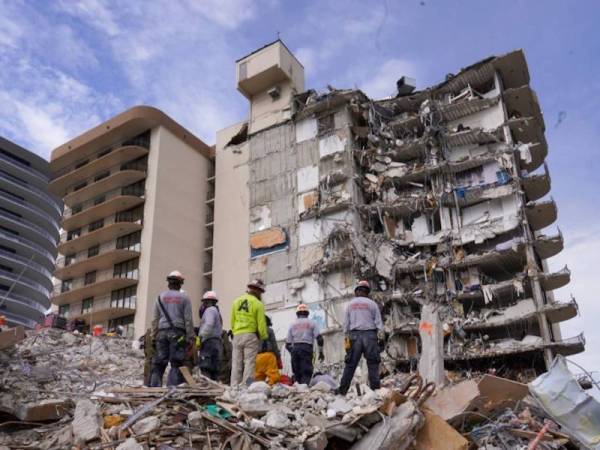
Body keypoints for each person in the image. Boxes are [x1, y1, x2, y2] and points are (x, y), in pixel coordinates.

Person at [338, 280, 384, 395]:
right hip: (370, 336)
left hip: (354, 337)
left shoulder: (350, 305)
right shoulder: (372, 304)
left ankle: (342, 391)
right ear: (367, 292)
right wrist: (381, 340)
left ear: (356, 291)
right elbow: (379, 324)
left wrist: (347, 343)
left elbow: (346, 326)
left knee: (350, 365)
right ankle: (376, 392)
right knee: (373, 364)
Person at [150, 270, 195, 387]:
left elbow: (155, 318)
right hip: (178, 334)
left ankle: (154, 389)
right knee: (176, 363)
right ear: (180, 284)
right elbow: (188, 320)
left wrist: (153, 336)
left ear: (169, 283)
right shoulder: (185, 298)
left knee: (158, 363)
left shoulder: (160, 297)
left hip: (161, 333)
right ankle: (172, 390)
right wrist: (191, 337)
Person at [230, 279, 268, 385]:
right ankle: (247, 386)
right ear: (258, 291)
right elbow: (261, 324)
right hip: (250, 336)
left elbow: (232, 321)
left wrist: (235, 331)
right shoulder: (258, 304)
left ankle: (234, 386)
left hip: (237, 335)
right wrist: (264, 337)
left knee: (236, 363)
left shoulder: (236, 301)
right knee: (250, 364)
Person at [285, 304, 324, 385]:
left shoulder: (292, 324)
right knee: (306, 372)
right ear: (307, 313)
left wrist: (293, 352)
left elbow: (287, 344)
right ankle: (304, 391)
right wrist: (321, 352)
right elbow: (320, 339)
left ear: (297, 314)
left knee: (297, 373)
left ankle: (299, 393)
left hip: (295, 349)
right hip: (306, 349)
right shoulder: (312, 323)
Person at [197, 291, 223, 380]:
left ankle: (206, 388)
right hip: (216, 343)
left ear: (206, 301)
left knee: (206, 366)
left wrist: (200, 336)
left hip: (209, 342)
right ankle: (213, 388)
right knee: (214, 369)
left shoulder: (210, 310)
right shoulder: (216, 312)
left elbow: (209, 324)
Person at [255, 315, 282, 385]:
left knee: (258, 378)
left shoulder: (254, 331)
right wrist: (278, 358)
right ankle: (271, 388)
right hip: (268, 357)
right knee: (274, 377)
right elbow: (274, 346)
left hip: (256, 357)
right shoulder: (269, 330)